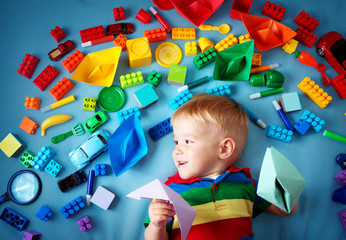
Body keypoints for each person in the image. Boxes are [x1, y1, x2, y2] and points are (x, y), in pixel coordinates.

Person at [144, 93, 298, 240]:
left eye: (188, 141)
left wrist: (285, 188)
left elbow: (285, 209)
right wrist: (156, 225)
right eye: (176, 142)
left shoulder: (245, 183)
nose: (177, 150)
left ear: (224, 149)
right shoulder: (169, 192)